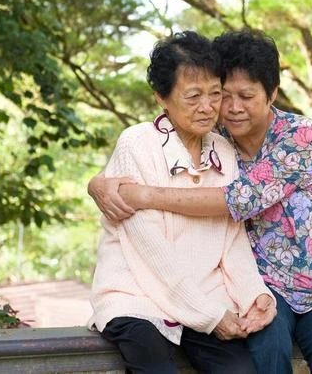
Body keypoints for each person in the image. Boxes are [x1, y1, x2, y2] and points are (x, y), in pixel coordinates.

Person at [89, 29, 312, 374]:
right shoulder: (211, 137)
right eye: (224, 96)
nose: (229, 108)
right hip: (247, 287)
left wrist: (145, 195)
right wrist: (98, 183)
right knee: (265, 359)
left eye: (244, 96)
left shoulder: (294, 135)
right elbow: (147, 173)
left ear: (272, 94)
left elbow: (236, 204)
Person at [86, 31, 276, 374]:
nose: (207, 107)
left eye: (214, 94)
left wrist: (254, 295)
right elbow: (150, 250)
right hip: (138, 299)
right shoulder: (137, 144)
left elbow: (231, 239)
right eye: (193, 96)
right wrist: (209, 316)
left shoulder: (223, 150)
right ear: (162, 96)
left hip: (204, 301)